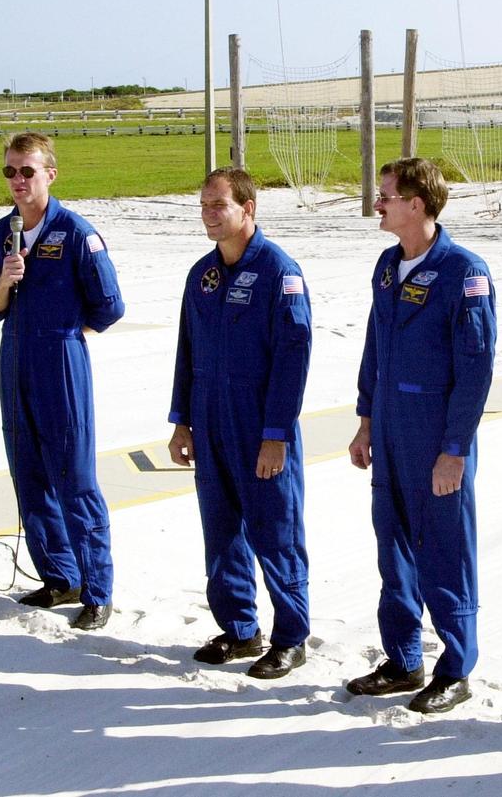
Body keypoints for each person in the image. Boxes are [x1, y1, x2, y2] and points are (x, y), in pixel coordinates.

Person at [346, 157, 497, 714]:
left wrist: (454, 451)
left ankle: (455, 667)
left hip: (436, 435)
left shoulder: (464, 271)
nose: (378, 203)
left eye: (386, 195)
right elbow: (374, 351)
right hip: (388, 429)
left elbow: (476, 370)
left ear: (417, 204)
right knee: (394, 549)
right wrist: (365, 421)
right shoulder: (388, 266)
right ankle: (403, 659)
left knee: (446, 553)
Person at [168, 167, 313, 680]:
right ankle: (239, 627)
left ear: (247, 209)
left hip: (258, 424)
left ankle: (291, 636)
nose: (208, 215)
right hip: (209, 419)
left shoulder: (279, 272)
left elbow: (293, 361)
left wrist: (275, 435)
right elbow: (187, 350)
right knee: (222, 529)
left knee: (275, 531)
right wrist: (181, 419)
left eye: (218, 205)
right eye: (204, 205)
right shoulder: (202, 275)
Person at [0, 131, 124, 631]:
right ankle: (59, 575)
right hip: (14, 357)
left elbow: (110, 306)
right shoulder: (1, 235)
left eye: (27, 171)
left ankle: (97, 590)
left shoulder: (78, 233)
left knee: (74, 480)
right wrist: (4, 279)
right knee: (29, 472)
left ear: (50, 174)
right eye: (10, 171)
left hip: (60, 360)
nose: (18, 181)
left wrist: (67, 333)